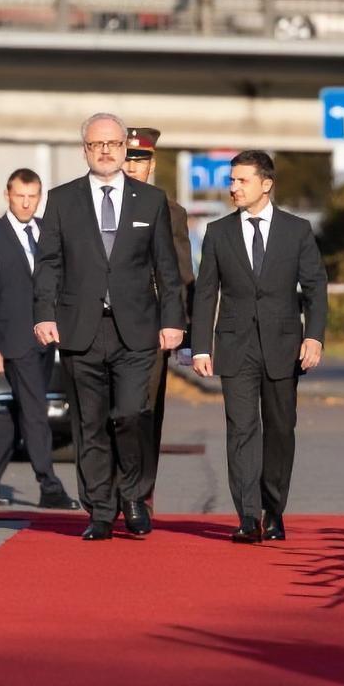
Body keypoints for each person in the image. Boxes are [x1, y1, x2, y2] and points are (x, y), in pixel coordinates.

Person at [32, 112, 185, 540]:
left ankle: (134, 494)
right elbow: (48, 264)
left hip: (137, 330)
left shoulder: (150, 202)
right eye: (97, 145)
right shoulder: (62, 200)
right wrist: (44, 314)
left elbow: (166, 269)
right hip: (81, 329)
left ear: (123, 149)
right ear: (85, 150)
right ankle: (100, 510)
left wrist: (174, 321)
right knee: (90, 424)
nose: (105, 151)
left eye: (113, 144)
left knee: (132, 413)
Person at [191, 150, 328, 542]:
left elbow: (316, 287)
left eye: (241, 180)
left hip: (284, 345)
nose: (233, 187)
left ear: (265, 184)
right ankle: (248, 517)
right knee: (241, 430)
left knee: (281, 429)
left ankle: (274, 510)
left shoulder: (296, 230)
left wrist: (314, 336)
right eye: (232, 181)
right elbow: (206, 293)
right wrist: (201, 346)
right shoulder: (218, 233)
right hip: (235, 346)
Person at [0, 168, 79, 510]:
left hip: (45, 339)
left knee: (23, 409)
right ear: (7, 195)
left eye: (33, 197)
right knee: (36, 412)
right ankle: (49, 484)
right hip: (11, 341)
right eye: (20, 196)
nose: (26, 204)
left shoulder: (47, 233)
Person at [122, 127, 195, 500]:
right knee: (109, 412)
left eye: (141, 160)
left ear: (152, 164)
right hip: (105, 324)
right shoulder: (96, 206)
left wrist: (185, 332)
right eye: (128, 158)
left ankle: (140, 493)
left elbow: (182, 275)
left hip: (151, 329)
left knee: (145, 411)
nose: (133, 167)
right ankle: (111, 490)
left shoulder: (171, 212)